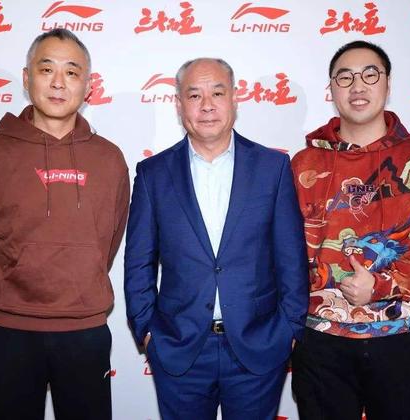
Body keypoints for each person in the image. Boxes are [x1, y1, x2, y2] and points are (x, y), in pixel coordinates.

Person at [0, 28, 129, 420]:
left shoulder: (109, 159)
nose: (58, 82)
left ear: (88, 84)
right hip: (9, 331)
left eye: (72, 72)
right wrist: (11, 274)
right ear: (26, 77)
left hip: (85, 330)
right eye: (46, 68)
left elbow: (108, 240)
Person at [124, 57, 308, 420]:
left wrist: (289, 328)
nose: (206, 105)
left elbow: (291, 257)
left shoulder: (272, 168)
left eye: (217, 93)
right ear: (179, 105)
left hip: (259, 347)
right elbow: (138, 262)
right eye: (194, 95)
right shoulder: (153, 174)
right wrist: (148, 331)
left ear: (235, 98)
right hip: (180, 349)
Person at [291, 40, 410, 420]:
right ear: (331, 88)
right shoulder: (305, 164)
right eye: (345, 77)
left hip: (400, 341)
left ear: (387, 83)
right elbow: (283, 250)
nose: (357, 86)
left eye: (370, 74)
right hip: (322, 344)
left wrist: (381, 285)